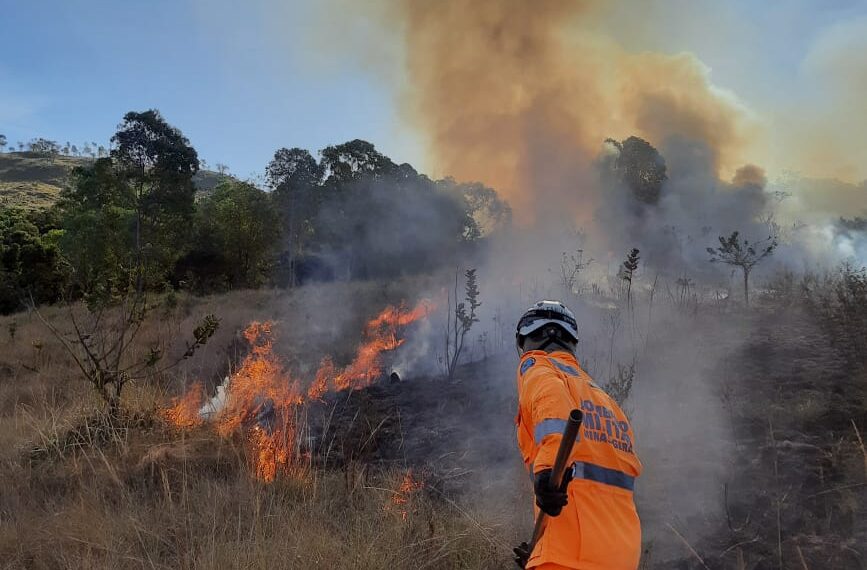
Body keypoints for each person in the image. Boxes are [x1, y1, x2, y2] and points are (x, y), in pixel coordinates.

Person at [513, 300, 642, 569]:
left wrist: (548, 472)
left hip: (568, 554)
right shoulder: (605, 402)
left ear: (523, 342)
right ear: (572, 344)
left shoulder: (538, 367)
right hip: (621, 554)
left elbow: (555, 415)